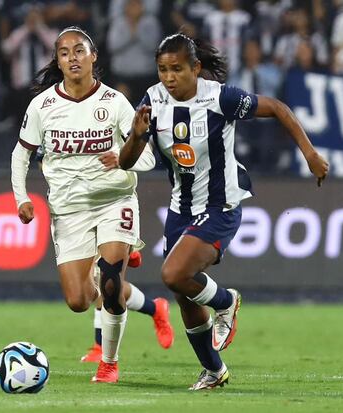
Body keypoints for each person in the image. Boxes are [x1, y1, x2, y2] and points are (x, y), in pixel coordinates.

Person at [119, 33, 329, 390]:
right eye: (163, 70)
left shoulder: (219, 98)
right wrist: (137, 136)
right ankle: (214, 371)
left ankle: (226, 301)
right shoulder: (152, 100)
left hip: (220, 205)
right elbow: (126, 162)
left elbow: (277, 108)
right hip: (181, 207)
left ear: (195, 68)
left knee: (173, 273)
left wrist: (309, 154)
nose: (169, 77)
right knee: (183, 292)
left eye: (177, 69)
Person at [10, 26, 173, 383]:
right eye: (64, 52)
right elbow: (21, 155)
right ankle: (152, 305)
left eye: (79, 50)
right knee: (79, 300)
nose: (72, 58)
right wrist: (22, 198)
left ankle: (109, 363)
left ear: (93, 56)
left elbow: (147, 157)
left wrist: (124, 159)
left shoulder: (114, 102)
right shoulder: (42, 106)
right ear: (57, 61)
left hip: (115, 200)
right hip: (69, 210)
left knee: (111, 280)